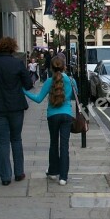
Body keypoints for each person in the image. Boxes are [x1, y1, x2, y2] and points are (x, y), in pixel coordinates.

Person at [0, 37, 33, 186]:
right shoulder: (18, 64)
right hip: (16, 107)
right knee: (16, 139)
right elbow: (28, 85)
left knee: (2, 141)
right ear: (12, 48)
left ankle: (5, 177)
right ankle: (19, 172)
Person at [24, 55, 77, 186]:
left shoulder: (49, 81)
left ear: (51, 68)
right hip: (67, 115)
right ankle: (63, 177)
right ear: (64, 66)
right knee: (64, 146)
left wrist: (23, 91)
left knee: (54, 143)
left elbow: (38, 99)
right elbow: (75, 97)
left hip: (52, 116)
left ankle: (53, 172)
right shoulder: (70, 80)